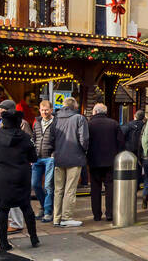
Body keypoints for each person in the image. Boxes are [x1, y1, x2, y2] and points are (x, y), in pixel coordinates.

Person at [0, 107, 38, 251]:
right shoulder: (26, 138)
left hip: (1, 177)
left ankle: (3, 242)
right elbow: (33, 157)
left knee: (3, 210)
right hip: (21, 176)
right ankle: (33, 237)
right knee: (26, 207)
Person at [50, 97, 89, 227]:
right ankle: (66, 218)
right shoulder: (79, 118)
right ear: (74, 106)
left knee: (58, 189)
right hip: (75, 156)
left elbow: (51, 138)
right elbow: (84, 139)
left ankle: (56, 218)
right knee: (70, 189)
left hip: (59, 157)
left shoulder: (56, 119)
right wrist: (84, 151)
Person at [86, 102, 124, 221]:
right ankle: (110, 213)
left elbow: (85, 141)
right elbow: (121, 142)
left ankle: (97, 215)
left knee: (95, 188)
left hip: (94, 161)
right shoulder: (114, 123)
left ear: (95, 112)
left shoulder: (89, 124)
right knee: (110, 187)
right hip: (111, 161)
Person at [31, 99, 56, 222]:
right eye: (42, 110)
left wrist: (54, 154)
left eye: (46, 110)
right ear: (39, 110)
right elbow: (33, 139)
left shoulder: (56, 122)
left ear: (51, 110)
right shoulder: (36, 123)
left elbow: (59, 140)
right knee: (35, 184)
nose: (44, 112)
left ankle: (47, 211)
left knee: (48, 186)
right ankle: (43, 206)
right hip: (37, 158)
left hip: (49, 158)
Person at [122, 106, 147, 191]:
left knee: (129, 167)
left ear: (134, 116)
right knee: (139, 168)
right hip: (141, 150)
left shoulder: (128, 125)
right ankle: (137, 185)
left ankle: (129, 185)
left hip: (129, 150)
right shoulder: (145, 126)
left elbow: (121, 136)